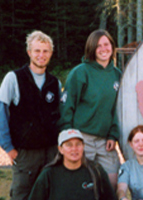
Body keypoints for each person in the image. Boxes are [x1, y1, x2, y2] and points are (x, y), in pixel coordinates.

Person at [0, 30, 61, 200]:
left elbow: (59, 117)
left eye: (45, 51)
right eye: (37, 51)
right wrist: (9, 148)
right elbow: (0, 115)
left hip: (51, 152)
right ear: (29, 52)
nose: (41, 55)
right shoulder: (14, 78)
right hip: (26, 153)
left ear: (50, 54)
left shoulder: (55, 83)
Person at [58, 29, 122, 190]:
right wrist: (69, 138)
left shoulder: (117, 75)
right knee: (84, 184)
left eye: (106, 44)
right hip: (82, 137)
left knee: (113, 182)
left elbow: (117, 109)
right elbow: (67, 105)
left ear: (112, 46)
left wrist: (113, 135)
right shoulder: (80, 73)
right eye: (98, 46)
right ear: (91, 49)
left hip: (105, 140)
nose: (103, 49)